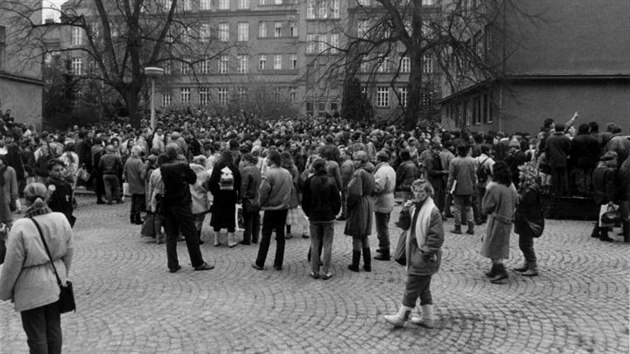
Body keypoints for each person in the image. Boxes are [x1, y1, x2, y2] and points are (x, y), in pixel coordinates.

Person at [0, 182, 73, 354]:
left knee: (36, 334)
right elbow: (69, 253)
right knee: (54, 328)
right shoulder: (61, 219)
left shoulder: (20, 226)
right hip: (55, 281)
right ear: (47, 198)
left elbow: (12, 265)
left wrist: (4, 292)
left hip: (30, 287)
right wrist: (62, 275)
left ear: (26, 200)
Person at [383, 178, 444, 328]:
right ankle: (428, 318)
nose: (417, 194)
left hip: (423, 255)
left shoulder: (433, 211)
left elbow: (437, 237)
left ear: (428, 192)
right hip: (416, 252)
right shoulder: (415, 207)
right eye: (415, 191)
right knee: (423, 289)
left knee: (412, 286)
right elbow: (404, 225)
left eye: (421, 191)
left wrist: (424, 254)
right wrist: (404, 210)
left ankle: (401, 317)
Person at [160, 144, 213, 272]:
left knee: (171, 234)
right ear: (177, 152)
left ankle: (172, 264)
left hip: (168, 203)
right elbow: (193, 179)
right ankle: (198, 262)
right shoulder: (182, 165)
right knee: (191, 233)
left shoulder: (163, 167)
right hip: (182, 203)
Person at [252, 150, 293, 271]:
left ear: (272, 160)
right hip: (283, 208)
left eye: (268, 158)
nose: (266, 160)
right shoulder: (287, 173)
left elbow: (263, 192)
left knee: (266, 236)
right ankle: (278, 263)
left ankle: (260, 262)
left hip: (271, 209)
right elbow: (290, 189)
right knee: (280, 236)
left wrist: (260, 203)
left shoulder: (269, 174)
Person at [302, 158, 341, 280]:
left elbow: (305, 201)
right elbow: (337, 200)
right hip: (328, 216)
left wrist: (308, 213)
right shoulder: (331, 181)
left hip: (314, 216)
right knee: (327, 244)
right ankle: (325, 271)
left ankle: (314, 271)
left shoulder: (309, 181)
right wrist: (334, 212)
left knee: (315, 243)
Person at [480, 161, 518, 284]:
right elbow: (517, 200)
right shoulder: (511, 185)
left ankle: (500, 270)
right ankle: (495, 268)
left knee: (492, 244)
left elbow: (487, 206)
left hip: (496, 219)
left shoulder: (493, 187)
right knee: (498, 244)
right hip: (508, 219)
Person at [345, 150, 375, 272]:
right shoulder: (370, 172)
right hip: (367, 202)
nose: (355, 162)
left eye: (357, 160)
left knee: (357, 234)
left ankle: (355, 264)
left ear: (362, 161)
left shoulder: (359, 173)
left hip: (360, 204)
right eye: (354, 159)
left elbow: (354, 193)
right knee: (364, 235)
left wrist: (349, 206)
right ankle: (367, 264)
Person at [513, 161, 544, 276]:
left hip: (529, 219)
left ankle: (533, 265)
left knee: (525, 244)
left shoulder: (531, 189)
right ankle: (527, 263)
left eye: (521, 172)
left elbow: (525, 201)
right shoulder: (528, 186)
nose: (519, 174)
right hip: (526, 218)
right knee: (525, 242)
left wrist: (516, 197)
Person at [208, 150, 241, 247]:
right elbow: (238, 183)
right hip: (230, 196)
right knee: (230, 217)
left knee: (217, 216)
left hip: (219, 196)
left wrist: (215, 193)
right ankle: (230, 241)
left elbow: (211, 182)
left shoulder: (217, 167)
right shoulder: (234, 168)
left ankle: (216, 240)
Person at [447, 143, 477, 235]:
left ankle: (457, 227)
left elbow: (451, 176)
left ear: (457, 150)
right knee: (469, 207)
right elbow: (474, 175)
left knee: (457, 208)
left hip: (458, 187)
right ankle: (471, 226)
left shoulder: (454, 161)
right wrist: (474, 185)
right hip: (469, 187)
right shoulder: (472, 161)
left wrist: (449, 187)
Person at [373, 150, 396, 261]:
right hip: (389, 198)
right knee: (384, 225)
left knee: (382, 227)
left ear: (379, 159)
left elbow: (378, 187)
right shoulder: (390, 168)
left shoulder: (381, 170)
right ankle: (383, 246)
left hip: (382, 200)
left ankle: (385, 250)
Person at [591, 151, 618, 242]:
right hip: (605, 196)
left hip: (597, 194)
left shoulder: (597, 169)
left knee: (601, 214)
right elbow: (609, 186)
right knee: (606, 215)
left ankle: (595, 232)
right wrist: (611, 199)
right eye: (615, 159)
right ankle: (604, 235)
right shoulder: (609, 171)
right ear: (609, 161)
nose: (616, 161)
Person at [239, 153, 261, 245]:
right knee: (256, 218)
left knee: (248, 218)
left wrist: (241, 197)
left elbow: (244, 185)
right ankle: (255, 237)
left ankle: (247, 239)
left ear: (247, 160)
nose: (243, 162)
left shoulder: (246, 170)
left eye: (244, 160)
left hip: (248, 197)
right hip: (257, 197)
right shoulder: (256, 169)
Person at [46, 159, 75, 227]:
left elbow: (70, 205)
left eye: (62, 169)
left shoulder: (67, 185)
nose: (60, 172)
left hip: (66, 220)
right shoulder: (46, 186)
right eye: (57, 170)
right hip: (52, 222)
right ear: (49, 172)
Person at [0, 154, 18, 264]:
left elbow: (14, 186)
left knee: (7, 225)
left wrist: (14, 198)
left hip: (5, 201)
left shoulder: (10, 170)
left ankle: (7, 250)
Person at [123, 145, 147, 225]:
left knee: (133, 201)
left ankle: (132, 217)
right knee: (138, 202)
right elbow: (142, 175)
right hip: (139, 184)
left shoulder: (128, 160)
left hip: (132, 183)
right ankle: (137, 219)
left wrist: (128, 180)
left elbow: (125, 172)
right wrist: (145, 183)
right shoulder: (139, 162)